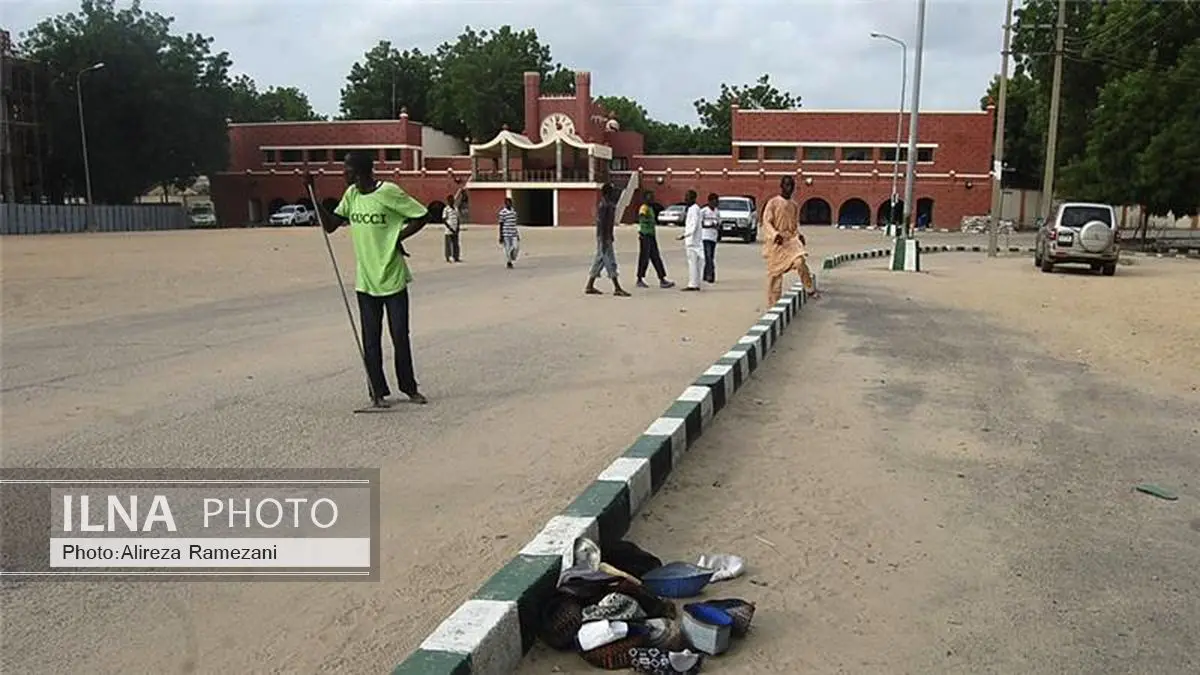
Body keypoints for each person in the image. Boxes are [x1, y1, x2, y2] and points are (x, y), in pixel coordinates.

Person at [311, 150, 432, 407]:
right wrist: (315, 196)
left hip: (391, 276)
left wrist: (398, 237)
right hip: (365, 280)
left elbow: (422, 215)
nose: (344, 173)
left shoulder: (388, 192)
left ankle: (409, 388)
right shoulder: (352, 195)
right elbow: (331, 225)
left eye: (347, 169)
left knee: (399, 336)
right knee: (370, 339)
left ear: (361, 171)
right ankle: (376, 392)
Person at [761, 175, 819, 306]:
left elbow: (793, 226)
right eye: (787, 185)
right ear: (781, 186)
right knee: (775, 276)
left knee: (800, 262)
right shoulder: (773, 202)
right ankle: (773, 305)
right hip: (777, 243)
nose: (789, 188)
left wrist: (799, 235)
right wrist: (775, 235)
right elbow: (766, 221)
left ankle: (809, 288)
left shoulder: (794, 205)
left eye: (791, 186)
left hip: (790, 242)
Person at [585, 183, 631, 297]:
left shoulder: (608, 205)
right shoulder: (604, 206)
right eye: (611, 192)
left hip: (605, 237)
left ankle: (589, 286)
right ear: (607, 193)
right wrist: (605, 239)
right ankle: (617, 288)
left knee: (599, 260)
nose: (614, 193)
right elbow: (602, 224)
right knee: (609, 260)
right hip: (604, 237)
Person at [635, 192, 675, 289]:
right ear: (645, 199)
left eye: (652, 198)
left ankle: (662, 279)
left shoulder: (651, 208)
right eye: (650, 198)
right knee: (644, 258)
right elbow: (641, 216)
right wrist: (648, 221)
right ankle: (639, 279)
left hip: (651, 235)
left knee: (656, 257)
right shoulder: (644, 207)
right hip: (645, 235)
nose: (652, 199)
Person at [676, 189, 704, 292]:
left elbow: (693, 225)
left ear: (693, 198)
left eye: (687, 197)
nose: (685, 199)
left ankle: (693, 284)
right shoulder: (694, 209)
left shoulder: (694, 209)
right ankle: (695, 283)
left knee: (693, 263)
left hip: (692, 241)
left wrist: (684, 235)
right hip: (694, 240)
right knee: (696, 263)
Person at [700, 192, 720, 283]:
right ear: (709, 202)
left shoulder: (717, 211)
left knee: (711, 256)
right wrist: (708, 225)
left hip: (713, 237)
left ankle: (705, 274)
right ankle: (710, 275)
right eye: (715, 201)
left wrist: (717, 226)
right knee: (708, 256)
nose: (716, 203)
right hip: (705, 236)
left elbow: (719, 223)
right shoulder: (704, 211)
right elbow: (700, 223)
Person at [498, 197, 520, 268]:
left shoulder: (514, 212)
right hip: (506, 233)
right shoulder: (502, 213)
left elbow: (514, 224)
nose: (508, 204)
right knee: (507, 247)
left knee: (516, 247)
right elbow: (501, 224)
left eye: (509, 203)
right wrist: (501, 236)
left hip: (513, 233)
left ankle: (512, 256)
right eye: (507, 203)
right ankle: (509, 262)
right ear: (505, 204)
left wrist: (517, 234)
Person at [443, 191, 462, 263]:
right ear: (448, 201)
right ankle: (448, 257)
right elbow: (444, 219)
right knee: (448, 244)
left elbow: (458, 218)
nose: (452, 201)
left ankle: (456, 257)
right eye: (451, 200)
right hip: (449, 229)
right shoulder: (446, 209)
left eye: (453, 200)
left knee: (456, 244)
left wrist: (458, 227)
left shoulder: (456, 208)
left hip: (455, 228)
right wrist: (450, 228)